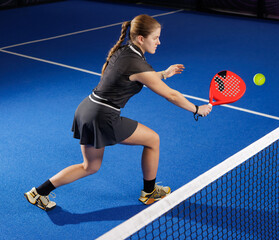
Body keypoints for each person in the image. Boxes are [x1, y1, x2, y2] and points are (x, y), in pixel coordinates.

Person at [24, 14, 212, 211]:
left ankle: (38, 192)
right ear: (141, 38)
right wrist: (197, 109)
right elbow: (171, 95)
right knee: (153, 140)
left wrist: (165, 73)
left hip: (87, 110)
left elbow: (142, 76)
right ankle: (149, 192)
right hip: (104, 117)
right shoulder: (137, 63)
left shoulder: (124, 51)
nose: (159, 42)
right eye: (155, 37)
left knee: (90, 166)